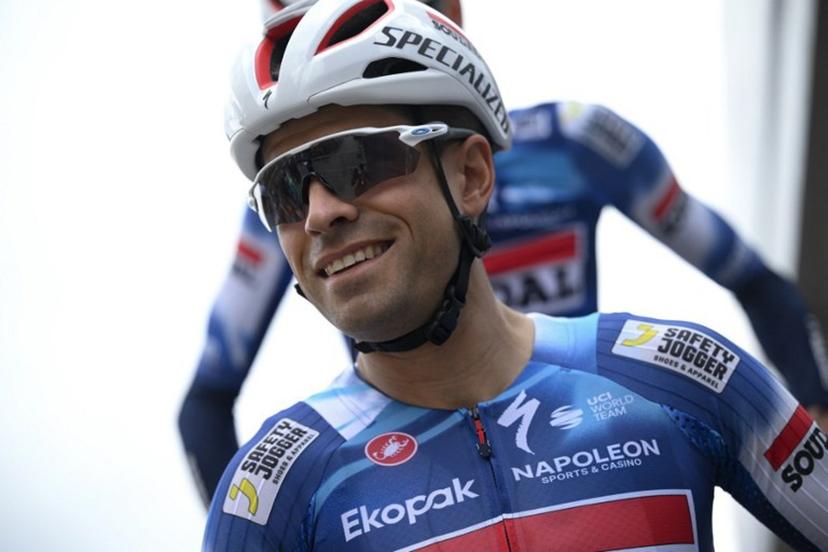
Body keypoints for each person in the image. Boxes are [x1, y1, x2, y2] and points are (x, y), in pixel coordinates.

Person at [201, 0, 828, 549]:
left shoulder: (578, 144)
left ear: (473, 177)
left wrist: (815, 404)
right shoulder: (276, 490)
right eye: (281, 191)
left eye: (356, 161)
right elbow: (205, 399)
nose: (318, 213)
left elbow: (756, 279)